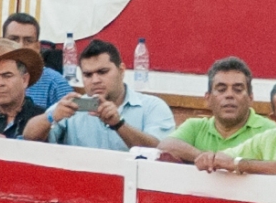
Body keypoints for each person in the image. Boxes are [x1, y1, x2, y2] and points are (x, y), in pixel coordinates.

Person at [29, 39, 173, 150]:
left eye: (103, 72)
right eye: (88, 75)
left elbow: (160, 152)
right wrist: (51, 117)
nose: (95, 80)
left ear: (121, 70)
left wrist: (119, 124)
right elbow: (28, 136)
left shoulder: (152, 106)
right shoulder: (76, 105)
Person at [160, 56, 276, 167]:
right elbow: (165, 146)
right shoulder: (196, 127)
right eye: (221, 89)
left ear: (250, 98)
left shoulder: (269, 130)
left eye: (238, 89)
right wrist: (206, 157)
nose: (229, 95)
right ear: (208, 98)